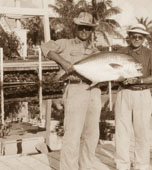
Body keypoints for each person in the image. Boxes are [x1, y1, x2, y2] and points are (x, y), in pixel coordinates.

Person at [41, 12, 101, 170]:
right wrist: (64, 62)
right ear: (76, 27)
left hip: (94, 91)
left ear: (91, 30)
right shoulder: (65, 43)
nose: (84, 31)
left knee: (92, 135)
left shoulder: (95, 50)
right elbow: (45, 47)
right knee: (72, 134)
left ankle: (86, 167)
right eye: (81, 27)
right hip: (75, 88)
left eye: (87, 28)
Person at [114, 24, 152, 170]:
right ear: (129, 36)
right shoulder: (121, 52)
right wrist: (119, 78)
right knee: (121, 132)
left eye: (140, 37)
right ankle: (122, 165)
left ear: (144, 38)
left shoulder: (150, 53)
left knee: (142, 132)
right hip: (123, 92)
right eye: (133, 36)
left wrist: (139, 80)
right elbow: (113, 74)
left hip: (142, 94)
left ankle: (141, 165)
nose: (136, 39)